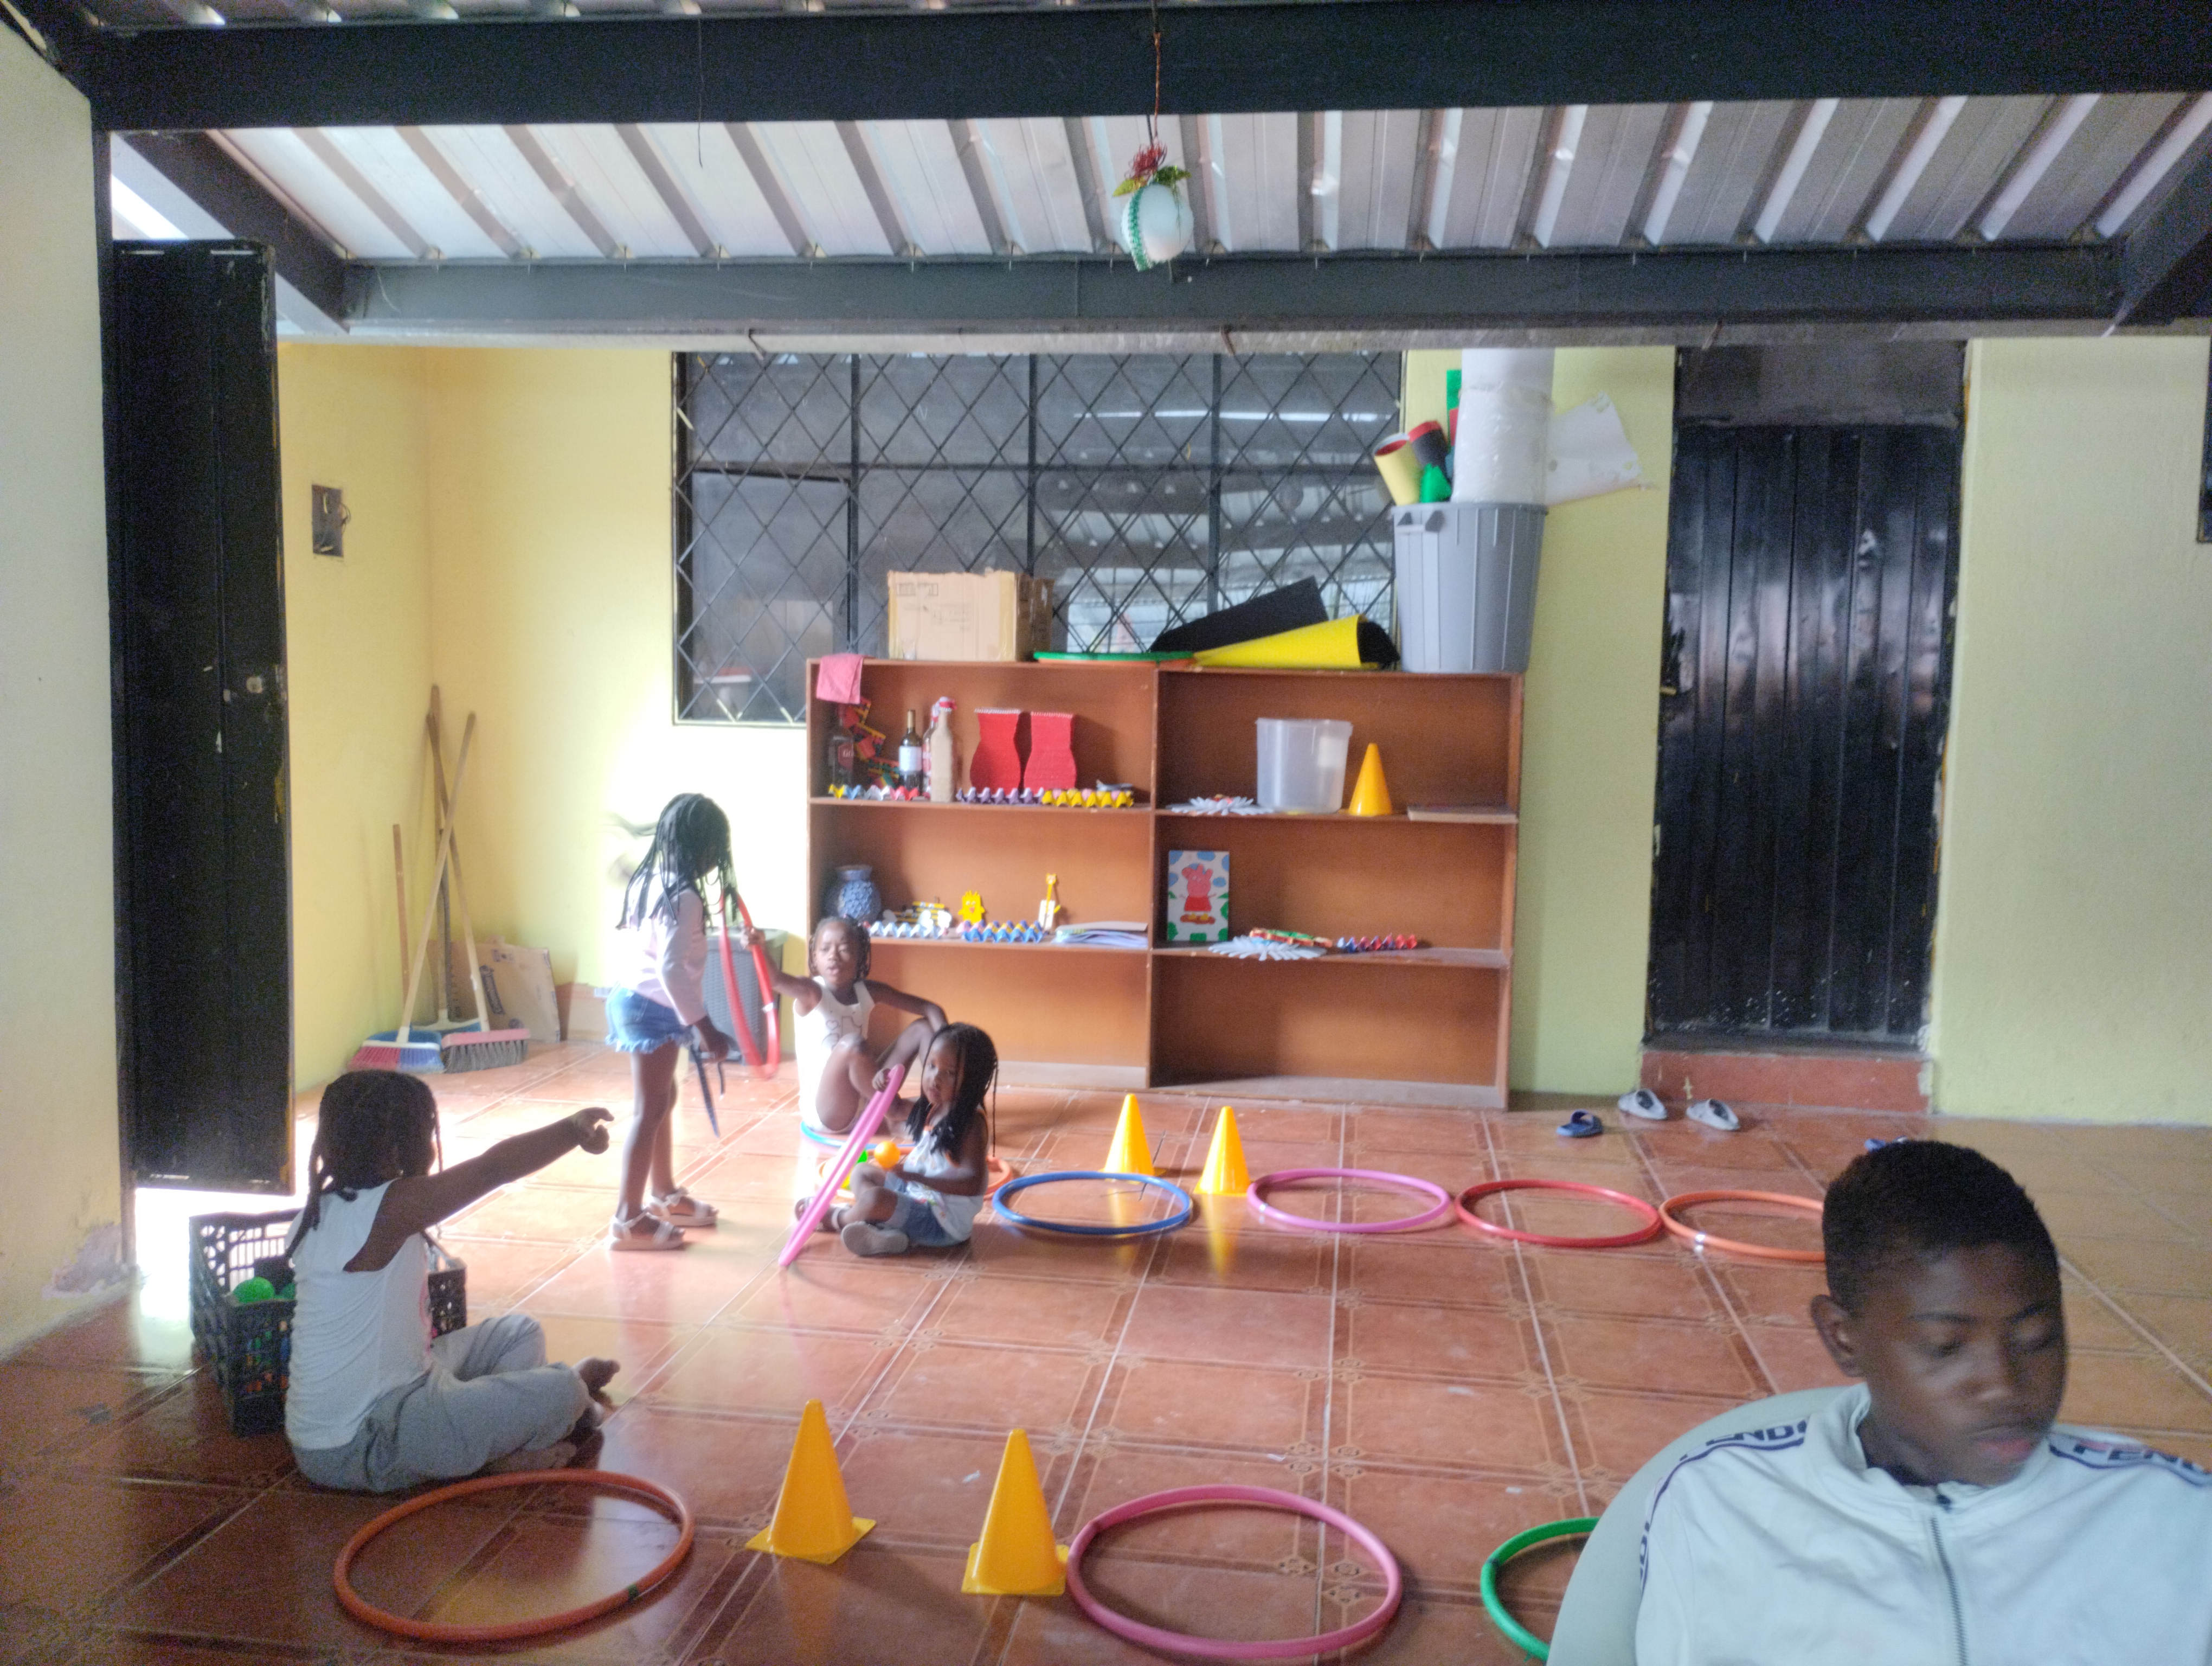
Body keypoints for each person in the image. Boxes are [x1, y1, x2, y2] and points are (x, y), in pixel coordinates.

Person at [1635, 1139, 2212, 1665]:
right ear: (1843, 1339)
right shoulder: (1719, 1506)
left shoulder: (2175, 1519)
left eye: (2036, 1339)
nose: (2004, 1385)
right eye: (1945, 1347)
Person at [285, 1070, 620, 1494]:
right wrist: (572, 1129)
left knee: (518, 1332)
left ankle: (499, 1430)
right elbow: (493, 1168)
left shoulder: (324, 1210)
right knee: (563, 1391)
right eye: (424, 1130)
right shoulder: (387, 1209)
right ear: (396, 1146)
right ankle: (554, 1405)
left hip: (406, 1388)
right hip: (362, 1442)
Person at [605, 792, 739, 1249]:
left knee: (664, 1098)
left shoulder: (653, 879)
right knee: (649, 1111)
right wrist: (707, 1029)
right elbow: (670, 971)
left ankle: (663, 1194)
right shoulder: (686, 899)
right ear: (707, 849)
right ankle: (627, 1218)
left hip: (635, 1000)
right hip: (650, 1007)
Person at [806, 1021, 996, 1258]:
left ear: (972, 1080)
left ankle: (838, 1219)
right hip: (918, 1194)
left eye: (949, 1073)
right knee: (862, 1172)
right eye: (931, 1066)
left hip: (941, 1222)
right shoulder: (937, 1105)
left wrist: (918, 1177)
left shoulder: (970, 1124)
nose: (935, 1078)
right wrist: (883, 1086)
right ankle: (888, 1235)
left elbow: (974, 1184)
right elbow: (894, 1109)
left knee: (875, 1199)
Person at [754, 913, 946, 1140]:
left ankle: (936, 1102)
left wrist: (951, 1050)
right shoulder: (811, 992)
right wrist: (760, 947)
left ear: (859, 958)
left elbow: (930, 1009)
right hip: (828, 1114)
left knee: (923, 1029)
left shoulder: (868, 991)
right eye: (825, 949)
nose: (833, 956)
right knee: (853, 1045)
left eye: (844, 949)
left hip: (866, 1100)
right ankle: (895, 1111)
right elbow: (775, 980)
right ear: (814, 957)